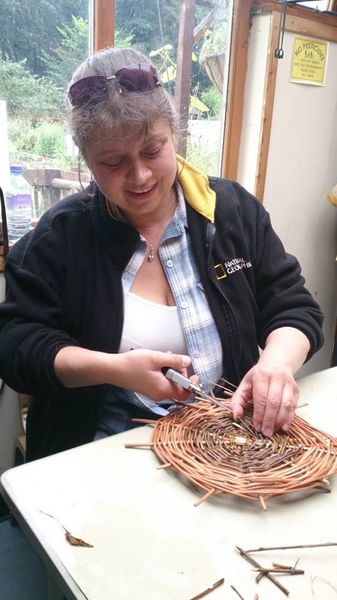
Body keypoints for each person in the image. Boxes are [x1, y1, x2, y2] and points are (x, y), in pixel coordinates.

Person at [0, 47, 324, 462]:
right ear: (87, 161)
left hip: (226, 443)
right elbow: (16, 346)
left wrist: (276, 364)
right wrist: (114, 368)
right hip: (100, 452)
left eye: (153, 150)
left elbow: (294, 307)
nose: (140, 176)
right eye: (113, 162)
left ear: (174, 134)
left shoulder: (230, 212)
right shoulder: (61, 237)